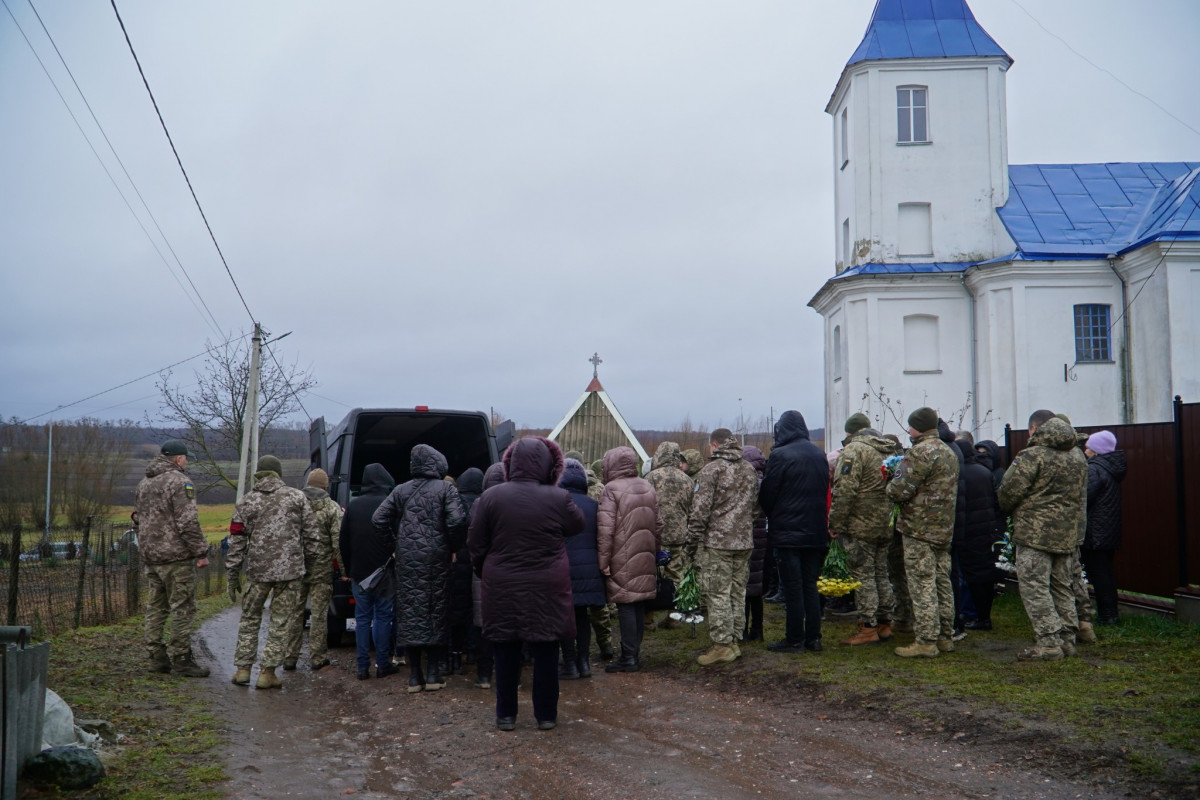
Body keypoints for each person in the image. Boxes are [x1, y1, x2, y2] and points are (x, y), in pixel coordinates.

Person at [468, 437, 584, 731]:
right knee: (546, 648)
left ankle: (506, 715)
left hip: (502, 582)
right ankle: (546, 715)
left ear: (510, 463)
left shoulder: (490, 498)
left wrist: (485, 570)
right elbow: (577, 525)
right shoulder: (558, 497)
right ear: (550, 464)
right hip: (548, 584)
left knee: (505, 649)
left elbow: (476, 542)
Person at [372, 444, 467, 693]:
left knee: (409, 613)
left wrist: (395, 545)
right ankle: (434, 674)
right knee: (436, 611)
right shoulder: (446, 488)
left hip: (408, 560)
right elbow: (458, 520)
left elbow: (378, 519)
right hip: (437, 557)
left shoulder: (400, 490)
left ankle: (415, 677)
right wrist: (452, 546)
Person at [998, 413, 1088, 661]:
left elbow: (1009, 492)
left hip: (1034, 532)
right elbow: (1081, 497)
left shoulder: (1032, 456)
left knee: (1034, 587)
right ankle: (1067, 639)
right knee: (1062, 586)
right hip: (1067, 532)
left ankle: (1048, 642)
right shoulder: (1077, 455)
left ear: (1036, 429)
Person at [226, 455, 321, 689]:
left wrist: (232, 573)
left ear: (259, 474)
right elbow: (312, 536)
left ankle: (242, 670)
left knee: (249, 619)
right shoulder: (297, 498)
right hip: (290, 573)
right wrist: (307, 563)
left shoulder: (246, 502)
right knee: (280, 622)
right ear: (279, 474)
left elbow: (236, 540)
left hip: (257, 572)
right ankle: (268, 672)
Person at [885, 408, 960, 658]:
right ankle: (945, 636)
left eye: (911, 426)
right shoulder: (949, 452)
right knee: (941, 581)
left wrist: (888, 481)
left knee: (921, 582)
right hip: (943, 528)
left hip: (919, 528)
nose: (908, 430)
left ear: (919, 427)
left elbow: (898, 490)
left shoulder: (920, 453)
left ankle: (926, 640)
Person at [133, 439, 211, 677]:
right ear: (178, 459)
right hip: (176, 557)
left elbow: (138, 519)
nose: (186, 462)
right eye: (185, 458)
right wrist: (200, 551)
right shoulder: (180, 482)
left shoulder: (144, 483)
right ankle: (182, 659)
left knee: (156, 608)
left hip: (151, 556)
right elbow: (187, 521)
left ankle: (156, 657)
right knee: (182, 608)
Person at [686, 429, 759, 665]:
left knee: (718, 592)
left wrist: (693, 539)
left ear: (714, 444)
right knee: (738, 592)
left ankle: (722, 644)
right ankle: (734, 639)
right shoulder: (749, 469)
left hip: (719, 541)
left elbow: (700, 510)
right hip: (744, 540)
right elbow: (756, 506)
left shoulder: (712, 470)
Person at [759, 410, 830, 654]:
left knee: (792, 587)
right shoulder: (818, 454)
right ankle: (814, 638)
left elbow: (767, 494)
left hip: (788, 533)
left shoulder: (780, 455)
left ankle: (794, 638)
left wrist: (775, 515)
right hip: (815, 532)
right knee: (810, 585)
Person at [828, 413, 896, 646]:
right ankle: (885, 622)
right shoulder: (888, 451)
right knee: (881, 573)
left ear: (850, 433)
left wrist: (835, 524)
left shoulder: (854, 451)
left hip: (860, 524)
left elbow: (844, 490)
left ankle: (868, 626)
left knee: (863, 575)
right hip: (886, 523)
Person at [597, 445, 664, 673]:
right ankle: (634, 653)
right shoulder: (647, 485)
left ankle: (628, 658)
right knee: (638, 602)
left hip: (621, 555)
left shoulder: (610, 489)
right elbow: (659, 524)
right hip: (645, 552)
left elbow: (606, 530)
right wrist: (655, 550)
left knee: (625, 602)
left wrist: (603, 562)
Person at [339, 463, 398, 680]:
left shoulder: (353, 506)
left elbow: (343, 540)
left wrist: (348, 569)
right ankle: (382, 664)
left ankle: (362, 667)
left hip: (359, 574)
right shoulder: (389, 504)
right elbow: (397, 537)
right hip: (385, 573)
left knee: (362, 619)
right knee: (383, 617)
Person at [283, 468, 343, 671]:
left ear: (307, 484)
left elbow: (285, 538)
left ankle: (290, 657)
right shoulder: (332, 508)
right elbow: (337, 543)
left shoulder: (294, 506)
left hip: (296, 569)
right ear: (325, 486)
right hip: (322, 571)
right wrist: (343, 570)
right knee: (319, 615)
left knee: (295, 613)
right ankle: (318, 657)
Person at [557, 458, 606, 679]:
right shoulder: (593, 505)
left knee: (565, 616)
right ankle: (584, 663)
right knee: (583, 616)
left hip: (564, 569)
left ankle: (570, 664)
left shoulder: (558, 503)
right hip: (590, 570)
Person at [956, 438, 1004, 631]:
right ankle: (985, 615)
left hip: (969, 530)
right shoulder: (984, 472)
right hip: (987, 529)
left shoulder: (960, 474)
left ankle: (979, 617)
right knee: (985, 575)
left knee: (972, 576)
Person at [644, 441, 695, 611]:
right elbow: (691, 508)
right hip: (679, 536)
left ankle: (648, 618)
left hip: (655, 536)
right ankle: (674, 615)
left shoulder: (651, 478)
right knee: (676, 575)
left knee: (652, 576)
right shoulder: (687, 480)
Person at [1083, 430, 1126, 626]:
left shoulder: (1094, 469)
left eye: (1089, 447)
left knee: (1099, 574)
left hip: (1095, 531)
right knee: (1106, 572)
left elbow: (1083, 498)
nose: (1085, 451)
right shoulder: (1110, 468)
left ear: (1097, 450)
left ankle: (1107, 616)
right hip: (1108, 529)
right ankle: (1110, 614)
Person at [449, 468, 485, 676]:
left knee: (458, 610)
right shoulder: (485, 503)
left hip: (458, 563)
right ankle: (475, 652)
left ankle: (455, 656)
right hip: (478, 564)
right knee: (478, 610)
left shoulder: (455, 503)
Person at [741, 445, 769, 642]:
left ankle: (742, 629)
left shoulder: (746, 481)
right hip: (762, 536)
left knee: (743, 585)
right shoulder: (764, 481)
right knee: (756, 587)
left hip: (746, 534)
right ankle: (757, 629)